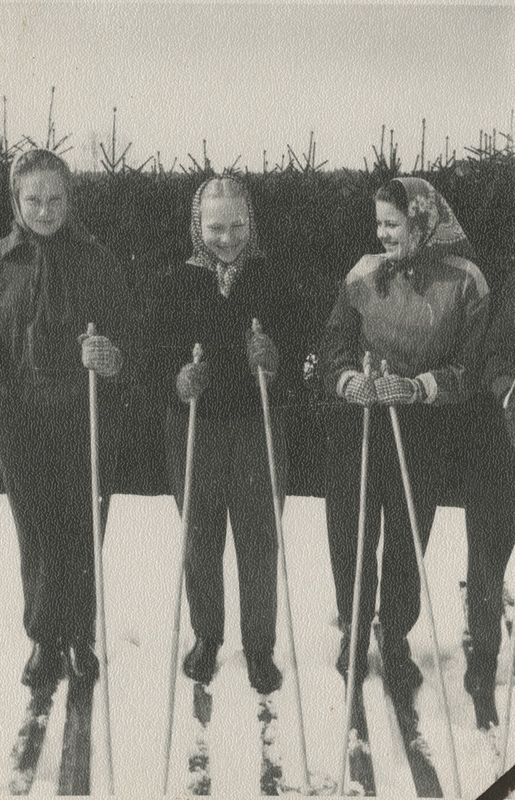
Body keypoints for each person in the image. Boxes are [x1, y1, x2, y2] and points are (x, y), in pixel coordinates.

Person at [0, 149, 130, 688]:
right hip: (19, 414)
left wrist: (110, 354)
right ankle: (42, 637)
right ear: (15, 200)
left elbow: (127, 334)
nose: (45, 209)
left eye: (55, 198)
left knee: (82, 526)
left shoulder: (96, 259)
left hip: (83, 413)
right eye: (33, 199)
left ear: (69, 198)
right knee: (34, 529)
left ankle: (79, 636)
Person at [319, 177, 489, 698]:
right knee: (354, 528)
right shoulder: (363, 274)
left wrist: (418, 387)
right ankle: (354, 629)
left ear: (421, 222)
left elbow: (471, 366)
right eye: (378, 224)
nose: (382, 234)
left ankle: (394, 636)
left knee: (407, 535)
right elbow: (334, 347)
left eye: (392, 224)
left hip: (422, 428)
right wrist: (351, 381)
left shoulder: (465, 281)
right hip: (363, 423)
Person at [145, 176, 294, 695]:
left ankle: (259, 644)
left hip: (256, 425)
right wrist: (177, 381)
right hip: (194, 427)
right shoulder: (173, 283)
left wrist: (273, 360)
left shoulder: (271, 278)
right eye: (215, 228)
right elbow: (153, 359)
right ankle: (207, 635)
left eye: (236, 226)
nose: (227, 238)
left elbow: (298, 354)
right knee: (201, 537)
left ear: (250, 223)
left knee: (258, 538)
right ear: (196, 225)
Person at [464, 269, 515, 728]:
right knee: (487, 561)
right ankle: (482, 665)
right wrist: (509, 391)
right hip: (502, 448)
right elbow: (493, 354)